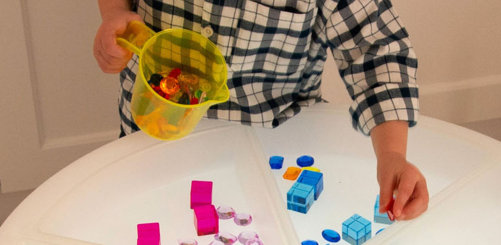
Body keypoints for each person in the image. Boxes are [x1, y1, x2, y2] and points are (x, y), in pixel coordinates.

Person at [93, 0, 428, 221]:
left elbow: (377, 50)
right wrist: (114, 14)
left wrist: (393, 154)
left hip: (277, 156)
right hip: (157, 138)